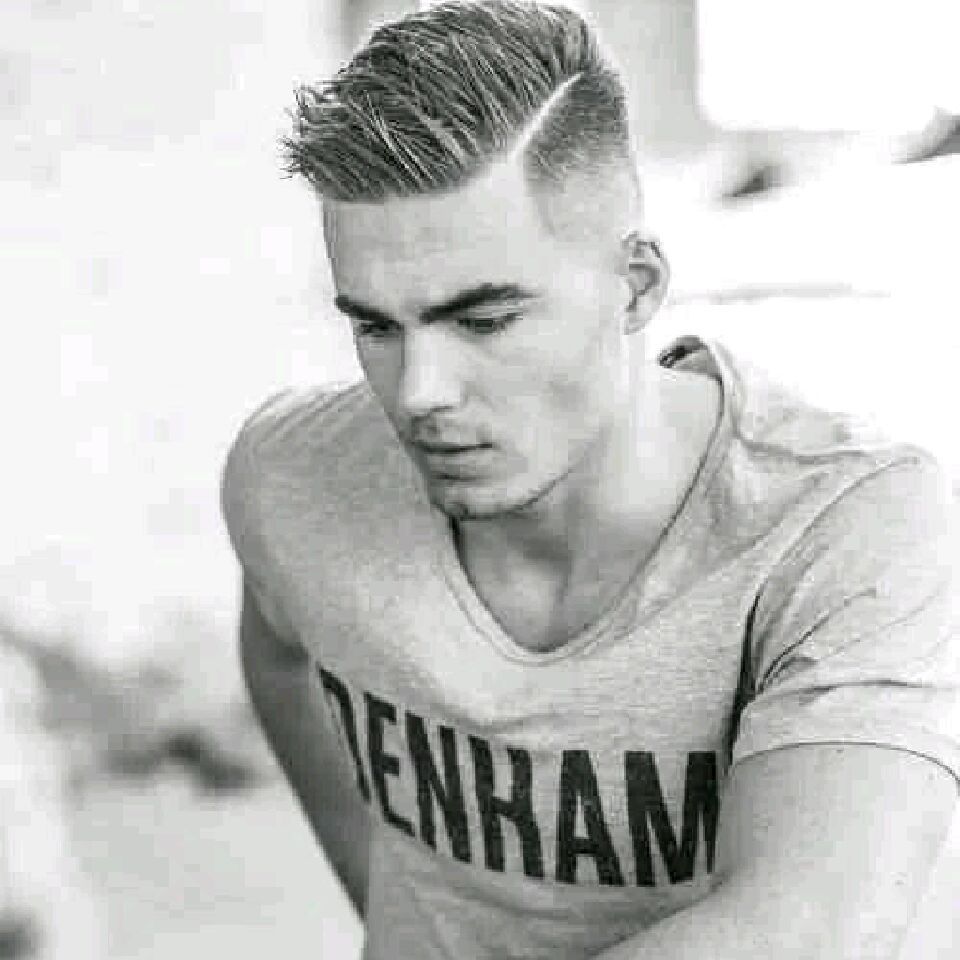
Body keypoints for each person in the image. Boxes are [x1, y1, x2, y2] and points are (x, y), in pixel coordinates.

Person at [220, 2, 959, 957]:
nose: (420, 392)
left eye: (483, 321)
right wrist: (395, 916)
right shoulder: (294, 472)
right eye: (375, 326)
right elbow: (280, 656)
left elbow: (802, 932)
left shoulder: (848, 526)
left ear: (636, 286)